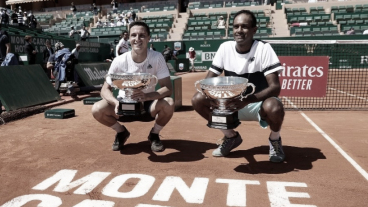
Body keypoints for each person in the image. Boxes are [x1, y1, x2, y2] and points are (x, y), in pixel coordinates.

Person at [191, 9, 285, 163]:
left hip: (257, 104)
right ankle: (231, 137)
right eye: (236, 27)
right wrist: (218, 100)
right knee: (198, 99)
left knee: (275, 107)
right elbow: (207, 82)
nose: (239, 31)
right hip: (230, 104)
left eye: (244, 26)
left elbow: (275, 88)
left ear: (254, 30)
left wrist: (247, 100)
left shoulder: (264, 48)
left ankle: (275, 140)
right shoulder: (225, 48)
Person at [91, 21, 174, 152]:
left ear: (148, 38)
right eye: (133, 35)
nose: (137, 39)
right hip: (122, 106)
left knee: (169, 103)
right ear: (129, 38)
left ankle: (154, 134)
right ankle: (121, 132)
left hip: (147, 105)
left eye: (142, 35)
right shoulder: (119, 61)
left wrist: (146, 96)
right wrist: (115, 102)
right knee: (97, 109)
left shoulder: (157, 57)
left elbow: (168, 88)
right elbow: (105, 89)